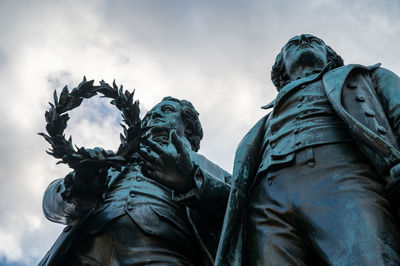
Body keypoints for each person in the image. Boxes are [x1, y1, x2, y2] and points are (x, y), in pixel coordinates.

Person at [216, 34, 400, 265]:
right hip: (266, 202)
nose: (304, 40)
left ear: (330, 57)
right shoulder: (260, 126)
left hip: (343, 179)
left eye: (315, 41)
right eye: (292, 44)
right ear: (281, 67)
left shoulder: (364, 77)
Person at [40, 96, 230, 266]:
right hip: (82, 253)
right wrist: (75, 187)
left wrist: (192, 181)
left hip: (165, 253)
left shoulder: (209, 170)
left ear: (188, 126)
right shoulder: (107, 159)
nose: (154, 116)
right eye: (150, 114)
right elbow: (51, 207)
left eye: (166, 110)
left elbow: (241, 210)